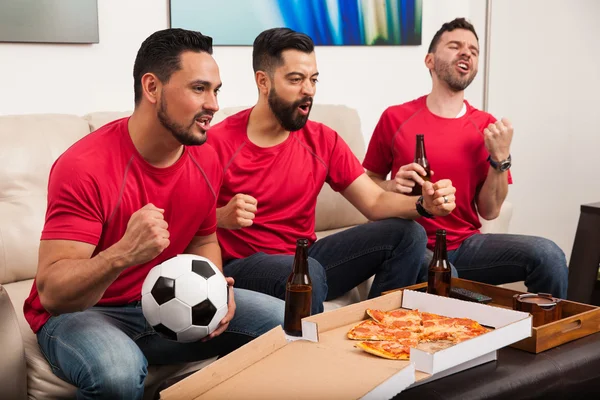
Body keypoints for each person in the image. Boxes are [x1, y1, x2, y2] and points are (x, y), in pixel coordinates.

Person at [23, 29, 284, 400]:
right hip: (81, 314)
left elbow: (204, 238)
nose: (213, 104)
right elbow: (52, 294)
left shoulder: (206, 156)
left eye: (216, 90)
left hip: (161, 304)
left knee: (283, 322)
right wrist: (123, 254)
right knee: (118, 372)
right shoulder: (84, 166)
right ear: (152, 88)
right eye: (198, 89)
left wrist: (215, 287)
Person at [209, 27, 457, 315]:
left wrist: (424, 205)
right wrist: (221, 217)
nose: (308, 90)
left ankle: (380, 330)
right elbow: (182, 221)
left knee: (408, 234)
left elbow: (375, 202)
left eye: (313, 79)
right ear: (263, 82)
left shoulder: (322, 139)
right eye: (296, 79)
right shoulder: (218, 143)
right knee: (307, 272)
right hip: (247, 265)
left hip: (307, 259)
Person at [363, 18, 568, 298]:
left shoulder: (486, 126)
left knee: (549, 255)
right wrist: (391, 185)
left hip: (466, 246)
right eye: (455, 46)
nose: (466, 53)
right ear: (430, 61)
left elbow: (490, 211)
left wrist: (500, 159)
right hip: (413, 245)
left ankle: (545, 339)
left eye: (473, 50)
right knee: (448, 279)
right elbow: (368, 182)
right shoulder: (395, 117)